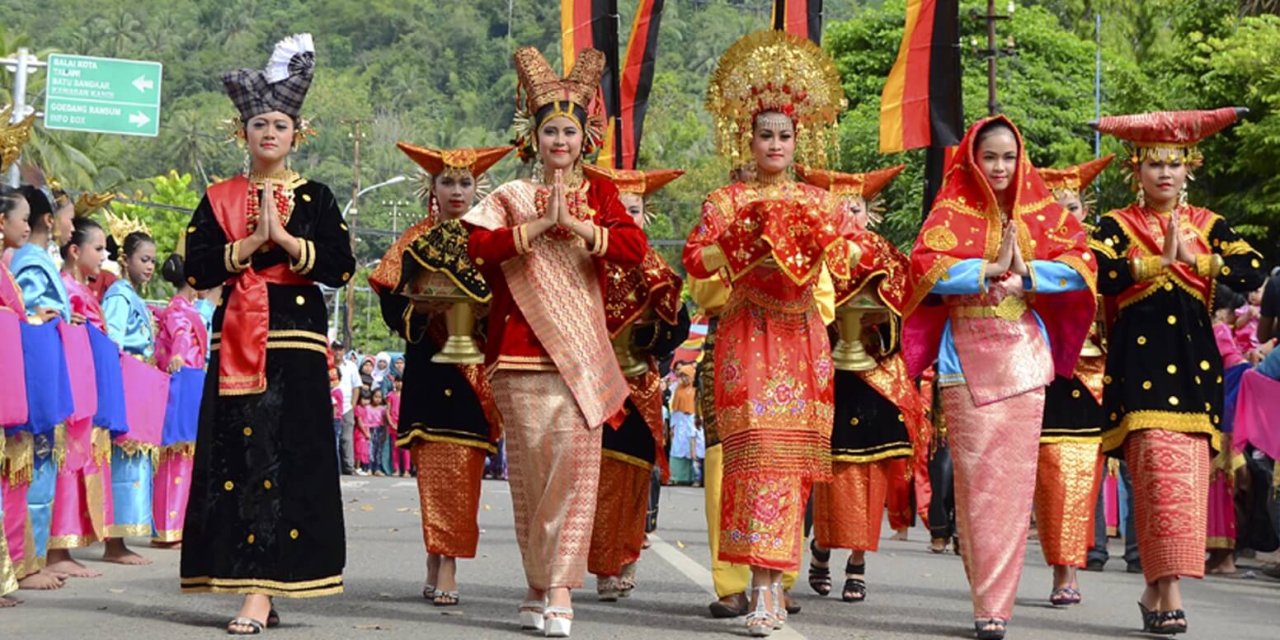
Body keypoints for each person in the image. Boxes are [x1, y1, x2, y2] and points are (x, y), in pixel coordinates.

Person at [462, 45, 647, 638]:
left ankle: (561, 588)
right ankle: (537, 584)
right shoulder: (512, 196)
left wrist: (583, 228)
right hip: (518, 354)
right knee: (532, 479)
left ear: (585, 136)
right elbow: (477, 249)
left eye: (569, 130)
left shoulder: (602, 195)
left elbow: (634, 251)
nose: (560, 141)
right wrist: (540, 227)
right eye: (551, 131)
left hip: (580, 360)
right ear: (534, 138)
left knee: (575, 475)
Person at [179, 33, 353, 634]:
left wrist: (289, 243)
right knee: (243, 461)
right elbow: (197, 267)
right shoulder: (219, 198)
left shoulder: (317, 197)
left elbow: (339, 264)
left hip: (296, 346)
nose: (269, 133)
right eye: (259, 124)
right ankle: (255, 584)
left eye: (280, 123)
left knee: (286, 462)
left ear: (295, 133)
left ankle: (262, 589)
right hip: (236, 344)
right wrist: (248, 246)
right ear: (243, 134)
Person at [685, 30, 855, 637]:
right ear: (748, 139)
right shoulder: (724, 202)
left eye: (785, 135)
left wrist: (832, 245)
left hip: (801, 337)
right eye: (765, 135)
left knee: (789, 463)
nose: (776, 144)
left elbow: (844, 265)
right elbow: (696, 262)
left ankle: (771, 588)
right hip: (744, 336)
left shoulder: (822, 202)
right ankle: (758, 585)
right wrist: (739, 245)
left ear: (797, 139)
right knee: (753, 456)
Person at [902, 115, 1096, 640]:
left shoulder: (1042, 212)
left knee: (1010, 487)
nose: (1001, 167)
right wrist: (986, 270)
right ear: (972, 158)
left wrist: (1027, 274)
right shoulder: (949, 209)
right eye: (990, 156)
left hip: (1023, 359)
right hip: (962, 361)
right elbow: (923, 269)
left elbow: (1082, 264)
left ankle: (996, 608)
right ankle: (984, 596)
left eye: (1009, 156)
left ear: (1021, 157)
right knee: (975, 485)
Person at [1089, 106, 1263, 635]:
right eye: (1154, 164)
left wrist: (1198, 260)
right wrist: (1154, 264)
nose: (1165, 173)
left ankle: (1156, 589)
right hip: (1138, 372)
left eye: (1175, 164)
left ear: (1189, 168)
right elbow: (1095, 271)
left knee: (1185, 484)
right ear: (1135, 170)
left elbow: (1251, 265)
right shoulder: (1117, 226)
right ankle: (1172, 590)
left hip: (1194, 373)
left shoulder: (1210, 225)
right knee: (1156, 478)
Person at [368, 142, 511, 606]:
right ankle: (437, 553)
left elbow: (511, 298)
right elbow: (391, 297)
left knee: (466, 466)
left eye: (465, 182)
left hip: (474, 370)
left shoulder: (491, 238)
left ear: (477, 187)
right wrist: (421, 309)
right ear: (432, 186)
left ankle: (448, 559)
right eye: (447, 181)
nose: (456, 190)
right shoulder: (413, 239)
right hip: (430, 364)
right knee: (433, 468)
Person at [795, 164, 928, 604]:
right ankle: (821, 547)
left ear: (870, 212)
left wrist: (880, 334)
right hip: (827, 373)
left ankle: (857, 561)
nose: (847, 214)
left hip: (874, 375)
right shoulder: (811, 252)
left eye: (855, 206)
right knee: (829, 471)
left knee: (872, 470)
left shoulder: (887, 255)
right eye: (838, 207)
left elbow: (906, 313)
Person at [580, 162, 691, 602]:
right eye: (619, 210)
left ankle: (626, 559)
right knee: (599, 479)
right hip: (593, 384)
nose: (629, 217)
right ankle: (603, 564)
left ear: (646, 214)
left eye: (636, 209)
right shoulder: (588, 259)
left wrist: (652, 337)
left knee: (635, 478)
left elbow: (677, 325)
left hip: (640, 386)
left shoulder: (657, 267)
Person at [1031, 156, 1115, 605]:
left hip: (1093, 377)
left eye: (1075, 205)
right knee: (1049, 477)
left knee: (1082, 477)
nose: (1067, 214)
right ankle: (1058, 568)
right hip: (1042, 373)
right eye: (1055, 205)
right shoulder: (1030, 257)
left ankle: (1070, 569)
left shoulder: (1104, 255)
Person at [7, 187, 74, 591]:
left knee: (42, 460)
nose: (72, 226)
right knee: (33, 462)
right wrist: (36, 316)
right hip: (34, 372)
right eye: (68, 218)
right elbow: (22, 313)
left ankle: (33, 558)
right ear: (49, 220)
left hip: (45, 367)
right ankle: (25, 563)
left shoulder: (35, 259)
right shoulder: (31, 260)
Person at [103, 226, 165, 566]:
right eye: (144, 259)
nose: (150, 266)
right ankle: (114, 541)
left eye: (153, 261)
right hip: (128, 380)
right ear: (125, 260)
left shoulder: (132, 297)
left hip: (139, 381)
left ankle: (121, 537)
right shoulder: (119, 296)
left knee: (135, 459)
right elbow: (112, 341)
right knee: (124, 458)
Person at [152, 251, 209, 547]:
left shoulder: (184, 307)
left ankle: (176, 525)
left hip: (191, 381)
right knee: (176, 454)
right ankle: (168, 527)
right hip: (182, 382)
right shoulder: (179, 310)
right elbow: (181, 336)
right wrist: (177, 352)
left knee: (184, 456)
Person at [667, 363, 700, 485]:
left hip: (692, 420)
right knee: (677, 449)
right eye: (682, 376)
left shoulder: (696, 390)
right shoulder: (678, 389)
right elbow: (674, 409)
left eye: (687, 376)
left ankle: (692, 478)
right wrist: (672, 426)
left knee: (692, 450)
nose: (684, 379)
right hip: (680, 420)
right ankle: (676, 476)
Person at [332, 341, 359, 474]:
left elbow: (356, 386)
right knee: (332, 438)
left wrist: (353, 405)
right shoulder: (327, 365)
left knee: (346, 438)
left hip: (347, 406)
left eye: (340, 349)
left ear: (344, 351)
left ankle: (349, 466)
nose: (337, 352)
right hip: (331, 407)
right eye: (335, 349)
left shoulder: (351, 366)